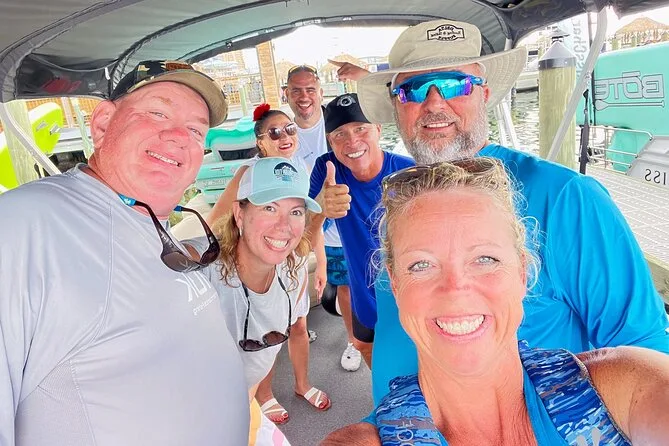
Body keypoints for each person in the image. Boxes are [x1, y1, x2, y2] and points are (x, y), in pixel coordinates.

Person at [349, 19, 669, 406]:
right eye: (413, 89)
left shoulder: (566, 197)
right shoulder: (399, 197)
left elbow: (645, 348)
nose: (434, 103)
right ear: (396, 106)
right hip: (403, 424)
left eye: (454, 84)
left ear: (484, 94)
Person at [322, 159, 669, 446]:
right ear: (395, 286)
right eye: (422, 265)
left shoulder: (627, 387)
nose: (455, 289)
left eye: (485, 259)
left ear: (522, 274)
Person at [0, 60, 250, 445]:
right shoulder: (23, 224)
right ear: (102, 124)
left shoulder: (146, 217)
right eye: (158, 113)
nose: (178, 137)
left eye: (195, 130)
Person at [207, 104, 331, 425]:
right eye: (274, 132)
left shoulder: (299, 169)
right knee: (263, 333)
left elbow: (306, 226)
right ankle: (263, 395)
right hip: (255, 264)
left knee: (295, 326)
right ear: (260, 141)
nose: (284, 136)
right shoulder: (249, 174)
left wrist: (321, 262)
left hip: (291, 264)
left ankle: (302, 384)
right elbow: (216, 223)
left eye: (290, 129)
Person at [187, 157, 328, 440]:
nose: (284, 226)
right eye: (269, 208)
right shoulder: (200, 270)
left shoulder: (293, 272)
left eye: (296, 212)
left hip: (241, 407)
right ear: (239, 214)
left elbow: (258, 360)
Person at [307, 93, 414, 367]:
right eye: (339, 134)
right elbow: (305, 238)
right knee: (366, 349)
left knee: (415, 365)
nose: (352, 141)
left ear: (378, 129)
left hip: (409, 295)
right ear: (330, 140)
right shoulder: (327, 168)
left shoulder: (410, 172)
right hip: (363, 294)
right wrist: (320, 208)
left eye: (360, 129)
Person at [285, 64, 362, 372]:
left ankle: (377, 335)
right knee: (342, 287)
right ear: (286, 94)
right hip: (316, 227)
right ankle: (351, 340)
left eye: (310, 89)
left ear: (320, 91)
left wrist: (363, 76)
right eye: (296, 90)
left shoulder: (337, 119)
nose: (304, 97)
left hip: (354, 220)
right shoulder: (284, 133)